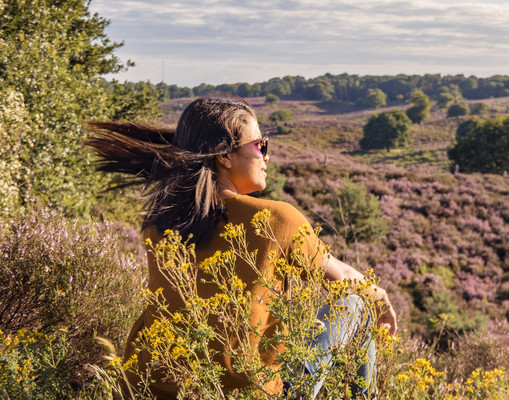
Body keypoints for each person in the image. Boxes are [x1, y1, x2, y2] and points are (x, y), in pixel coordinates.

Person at [86, 96, 396, 398]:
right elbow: (341, 275)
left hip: (152, 388)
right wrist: (380, 297)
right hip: (251, 392)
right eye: (260, 145)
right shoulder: (276, 219)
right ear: (224, 155)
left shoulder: (159, 223)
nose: (266, 156)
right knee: (357, 304)